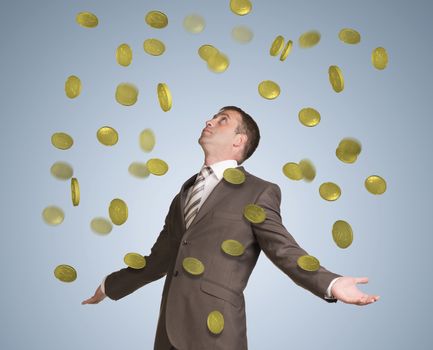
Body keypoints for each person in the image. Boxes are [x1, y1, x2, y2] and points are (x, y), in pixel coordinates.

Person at [82, 106, 380, 350]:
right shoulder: (183, 194)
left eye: (222, 120)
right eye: (212, 117)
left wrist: (331, 283)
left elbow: (282, 248)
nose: (209, 120)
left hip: (217, 332)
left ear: (239, 141)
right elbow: (159, 260)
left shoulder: (258, 191)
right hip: (169, 332)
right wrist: (110, 285)